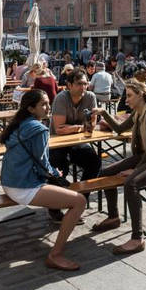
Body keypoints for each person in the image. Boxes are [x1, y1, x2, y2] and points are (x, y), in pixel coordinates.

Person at [0, 89, 86, 271]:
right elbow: (43, 165)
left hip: (9, 183)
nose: (48, 107)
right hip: (24, 186)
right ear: (31, 108)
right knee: (79, 201)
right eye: (44, 104)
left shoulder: (18, 124)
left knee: (69, 192)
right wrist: (57, 173)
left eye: (49, 102)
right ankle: (55, 254)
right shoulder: (39, 129)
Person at [91, 81, 146, 255]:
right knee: (106, 172)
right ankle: (114, 216)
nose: (126, 99)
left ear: (140, 95)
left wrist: (133, 170)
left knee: (131, 183)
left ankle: (137, 238)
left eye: (129, 95)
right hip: (145, 156)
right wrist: (104, 113)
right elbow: (120, 128)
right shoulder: (138, 112)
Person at [48, 70, 101, 221]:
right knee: (59, 168)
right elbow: (59, 129)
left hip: (77, 142)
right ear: (69, 85)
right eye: (79, 84)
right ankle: (54, 207)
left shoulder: (90, 97)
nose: (83, 87)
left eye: (85, 83)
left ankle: (79, 201)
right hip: (57, 142)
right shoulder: (61, 98)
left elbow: (91, 125)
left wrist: (75, 128)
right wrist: (80, 127)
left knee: (95, 162)